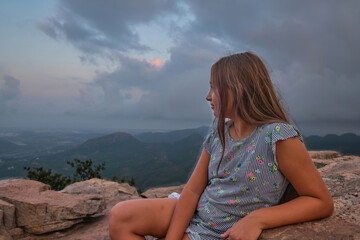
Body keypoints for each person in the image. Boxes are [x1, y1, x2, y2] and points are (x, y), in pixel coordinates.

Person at [108, 52, 334, 240]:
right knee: (120, 216)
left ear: (238, 89)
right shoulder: (220, 132)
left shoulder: (277, 137)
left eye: (214, 88)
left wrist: (257, 219)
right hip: (197, 211)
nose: (208, 97)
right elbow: (194, 189)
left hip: (218, 231)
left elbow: (320, 201)